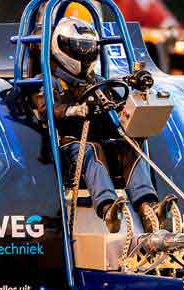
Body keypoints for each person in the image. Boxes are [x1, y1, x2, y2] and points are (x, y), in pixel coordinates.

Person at [34, 16, 162, 234]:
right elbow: (44, 109)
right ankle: (107, 207)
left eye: (89, 48)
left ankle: (147, 205)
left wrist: (126, 108)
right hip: (69, 145)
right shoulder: (46, 80)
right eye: (80, 47)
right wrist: (72, 110)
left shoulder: (98, 81)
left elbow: (114, 102)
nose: (84, 53)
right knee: (92, 150)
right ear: (62, 46)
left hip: (101, 141)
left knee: (132, 145)